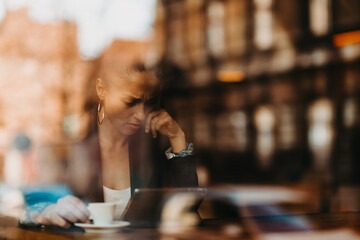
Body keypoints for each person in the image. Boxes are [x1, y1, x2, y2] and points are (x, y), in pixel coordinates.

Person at [22, 64, 198, 228]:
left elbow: (187, 204)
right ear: (101, 89)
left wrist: (178, 139)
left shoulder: (151, 147)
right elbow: (25, 208)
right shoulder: (74, 147)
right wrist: (48, 211)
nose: (141, 114)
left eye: (149, 103)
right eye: (130, 101)